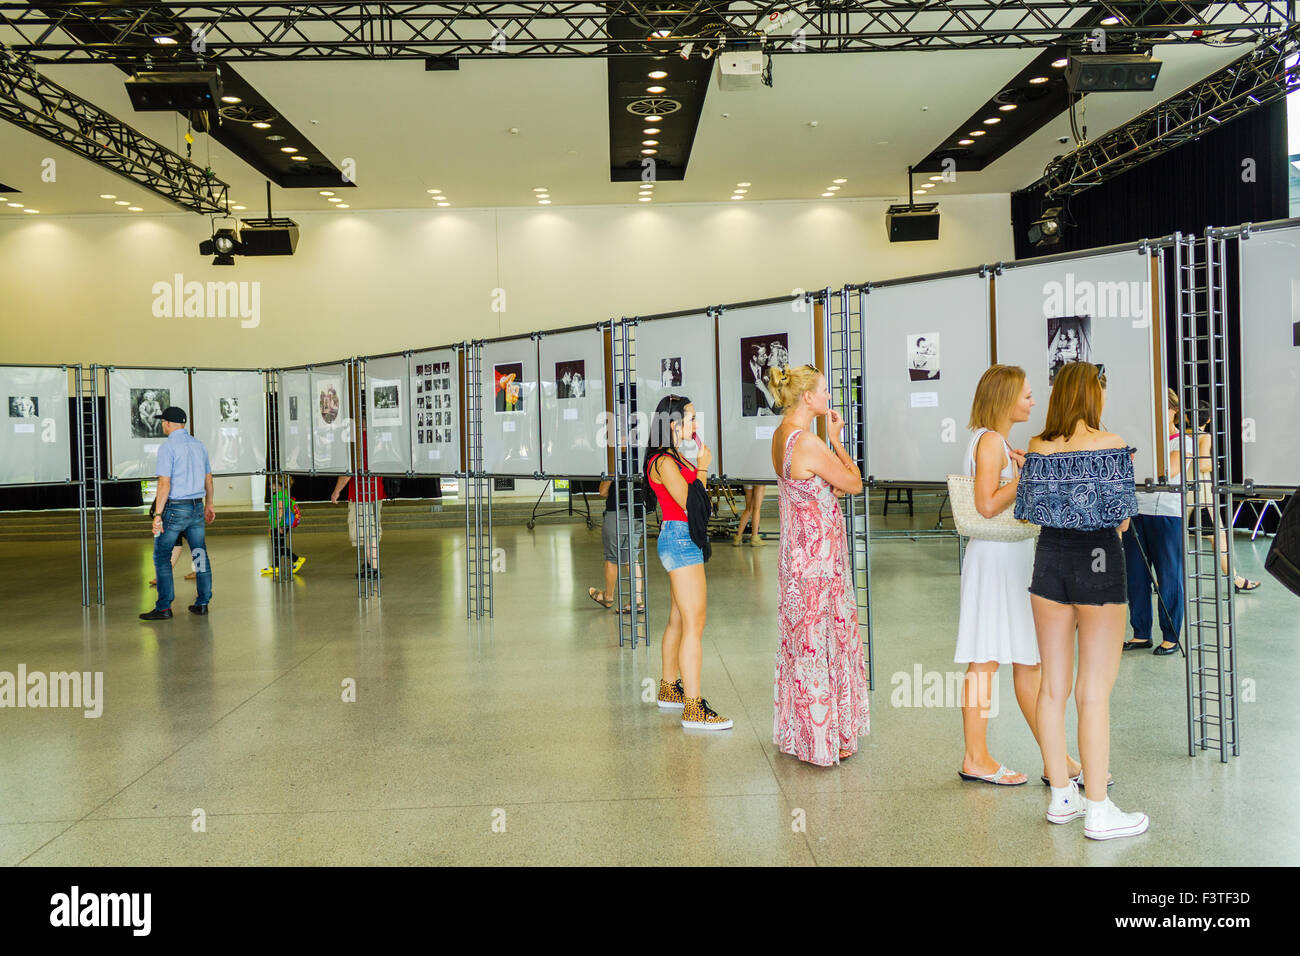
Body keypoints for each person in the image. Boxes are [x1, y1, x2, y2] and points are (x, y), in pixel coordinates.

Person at [1015, 362, 1147, 840]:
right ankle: (1098, 808)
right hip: (1097, 562)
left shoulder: (1037, 447)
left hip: (1049, 561)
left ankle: (1062, 797)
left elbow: (1028, 513)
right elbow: (1123, 520)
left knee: (1053, 687)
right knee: (1093, 692)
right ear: (1092, 396)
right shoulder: (1112, 445)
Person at [956, 365, 1067, 786]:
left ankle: (1059, 759)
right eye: (1026, 395)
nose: (1033, 401)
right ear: (1005, 400)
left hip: (1009, 558)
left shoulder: (996, 442)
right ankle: (976, 756)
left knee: (1026, 661)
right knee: (986, 660)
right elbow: (986, 505)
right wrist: (1024, 479)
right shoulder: (989, 443)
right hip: (997, 559)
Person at [768, 364, 870, 765]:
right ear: (807, 397)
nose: (830, 397)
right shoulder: (809, 443)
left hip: (797, 557)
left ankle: (804, 734)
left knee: (804, 644)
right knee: (823, 642)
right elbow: (854, 483)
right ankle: (826, 738)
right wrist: (838, 442)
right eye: (825, 391)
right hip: (818, 563)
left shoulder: (781, 437)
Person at [644, 394, 731, 730]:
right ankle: (694, 707)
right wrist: (705, 466)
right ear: (673, 424)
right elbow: (692, 505)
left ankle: (669, 688)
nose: (696, 425)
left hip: (677, 538)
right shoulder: (665, 462)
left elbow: (691, 500)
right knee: (695, 624)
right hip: (681, 540)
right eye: (691, 419)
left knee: (679, 619)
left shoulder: (671, 456)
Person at [1123, 389, 1190, 655]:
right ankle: (1141, 633)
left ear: (1173, 410)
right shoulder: (1141, 441)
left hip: (1167, 516)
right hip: (1137, 512)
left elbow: (1166, 471)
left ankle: (1171, 635)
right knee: (1136, 576)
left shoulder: (1181, 441)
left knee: (1168, 576)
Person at [140, 406, 214, 620]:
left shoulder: (168, 447)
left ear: (167, 423)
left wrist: (158, 514)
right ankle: (202, 603)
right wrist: (209, 504)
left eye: (163, 421)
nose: (162, 424)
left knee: (162, 556)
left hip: (175, 508)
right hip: (196, 506)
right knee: (199, 553)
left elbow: (165, 483)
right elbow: (208, 478)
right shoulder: (199, 446)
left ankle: (164, 607)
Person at [1188, 403, 1261, 593]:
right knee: (1219, 538)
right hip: (1201, 496)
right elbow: (1202, 464)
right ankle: (1234, 579)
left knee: (1177, 539)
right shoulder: (1204, 436)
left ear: (1187, 417)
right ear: (1210, 419)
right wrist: (1215, 465)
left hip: (1183, 494)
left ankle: (1162, 581)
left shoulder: (1181, 435)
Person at [588, 472, 646, 613]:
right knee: (631, 558)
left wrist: (611, 473)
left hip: (617, 513)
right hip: (639, 512)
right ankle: (637, 600)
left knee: (612, 558)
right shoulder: (641, 460)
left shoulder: (614, 461)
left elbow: (603, 491)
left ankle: (607, 597)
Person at [331, 434, 385, 578]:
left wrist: (337, 491)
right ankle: (370, 565)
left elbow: (348, 471)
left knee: (368, 532)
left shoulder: (356, 443)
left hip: (362, 494)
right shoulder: (375, 439)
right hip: (375, 492)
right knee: (370, 531)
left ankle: (373, 569)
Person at [262, 473, 305, 576]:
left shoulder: (280, 495)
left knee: (279, 546)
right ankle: (275, 566)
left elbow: (280, 511)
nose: (270, 487)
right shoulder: (284, 493)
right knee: (277, 546)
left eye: (272, 484)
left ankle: (297, 559)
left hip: (279, 525)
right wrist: (271, 526)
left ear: (279, 484)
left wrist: (278, 526)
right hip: (277, 525)